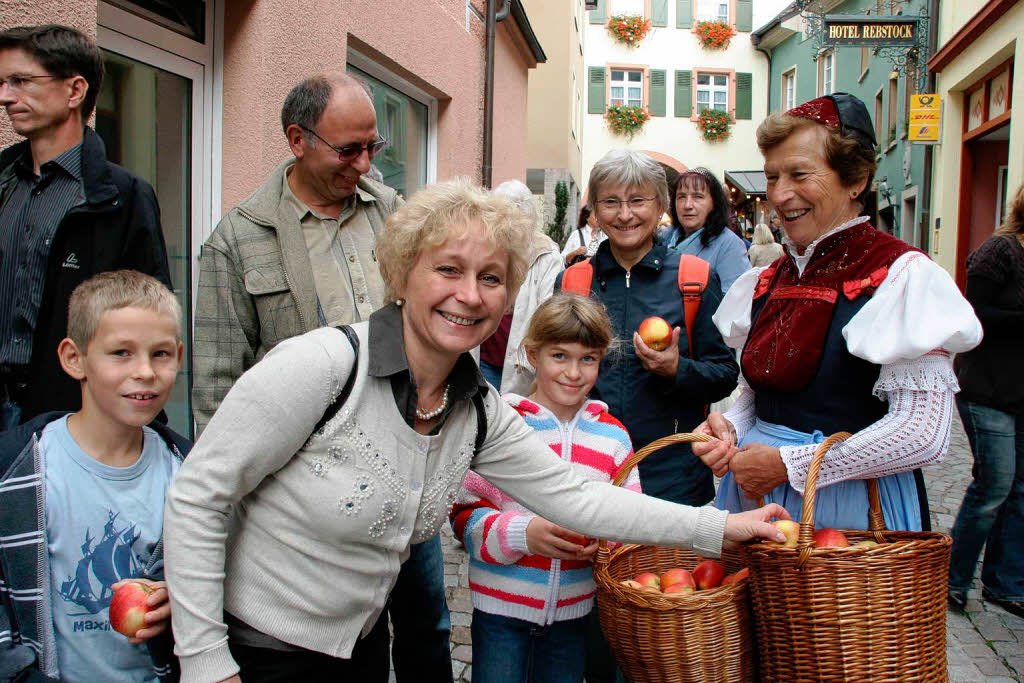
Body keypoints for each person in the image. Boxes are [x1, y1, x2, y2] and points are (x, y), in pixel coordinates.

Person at [162, 178, 789, 683]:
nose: (469, 295)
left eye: (490, 278)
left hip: (355, 651)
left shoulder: (479, 408)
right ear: (404, 273)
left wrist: (725, 529)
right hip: (253, 650)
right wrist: (206, 661)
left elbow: (580, 497)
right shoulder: (324, 366)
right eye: (448, 270)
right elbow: (199, 496)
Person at [189, 72, 453, 682]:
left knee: (425, 622)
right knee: (334, 643)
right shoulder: (237, 241)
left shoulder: (395, 213)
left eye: (373, 147)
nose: (364, 164)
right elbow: (217, 388)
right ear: (297, 139)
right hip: (311, 491)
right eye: (347, 150)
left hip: (405, 459)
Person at [693, 93, 982, 533]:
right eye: (772, 177)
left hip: (849, 509)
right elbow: (759, 399)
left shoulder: (900, 275)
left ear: (856, 180)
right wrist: (730, 429)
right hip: (756, 498)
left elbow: (922, 434)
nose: (781, 194)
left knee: (837, 607)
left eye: (799, 174)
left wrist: (791, 465)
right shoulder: (770, 278)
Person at [0, 270, 190, 683]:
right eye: (121, 352)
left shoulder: (190, 472)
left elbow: (220, 582)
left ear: (178, 355)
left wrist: (183, 604)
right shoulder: (15, 468)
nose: (145, 371)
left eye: (160, 354)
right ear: (74, 359)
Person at [451, 293, 636, 683]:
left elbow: (628, 522)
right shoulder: (504, 426)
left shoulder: (613, 438)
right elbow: (465, 517)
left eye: (588, 359)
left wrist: (602, 543)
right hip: (500, 612)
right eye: (560, 356)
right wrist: (524, 534)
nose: (574, 372)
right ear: (533, 355)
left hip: (573, 615)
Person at [0, 25, 172, 428]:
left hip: (71, 419)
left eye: (21, 81)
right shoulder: (4, 184)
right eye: (4, 82)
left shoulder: (124, 197)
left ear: (75, 91)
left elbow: (147, 323)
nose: (5, 96)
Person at [947, 183, 1024, 617]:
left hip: (1022, 392)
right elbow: (971, 316)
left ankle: (1005, 583)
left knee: (1021, 490)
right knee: (993, 485)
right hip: (988, 389)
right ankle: (953, 579)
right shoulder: (1000, 251)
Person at [479, 179, 562, 395]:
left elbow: (546, 312)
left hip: (520, 363)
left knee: (514, 416)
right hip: (484, 352)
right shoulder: (485, 246)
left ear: (528, 218)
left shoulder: (547, 254)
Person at [661, 168, 750, 294]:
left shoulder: (729, 244)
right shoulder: (663, 237)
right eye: (681, 197)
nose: (687, 205)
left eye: (698, 197)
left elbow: (736, 302)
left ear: (714, 203)